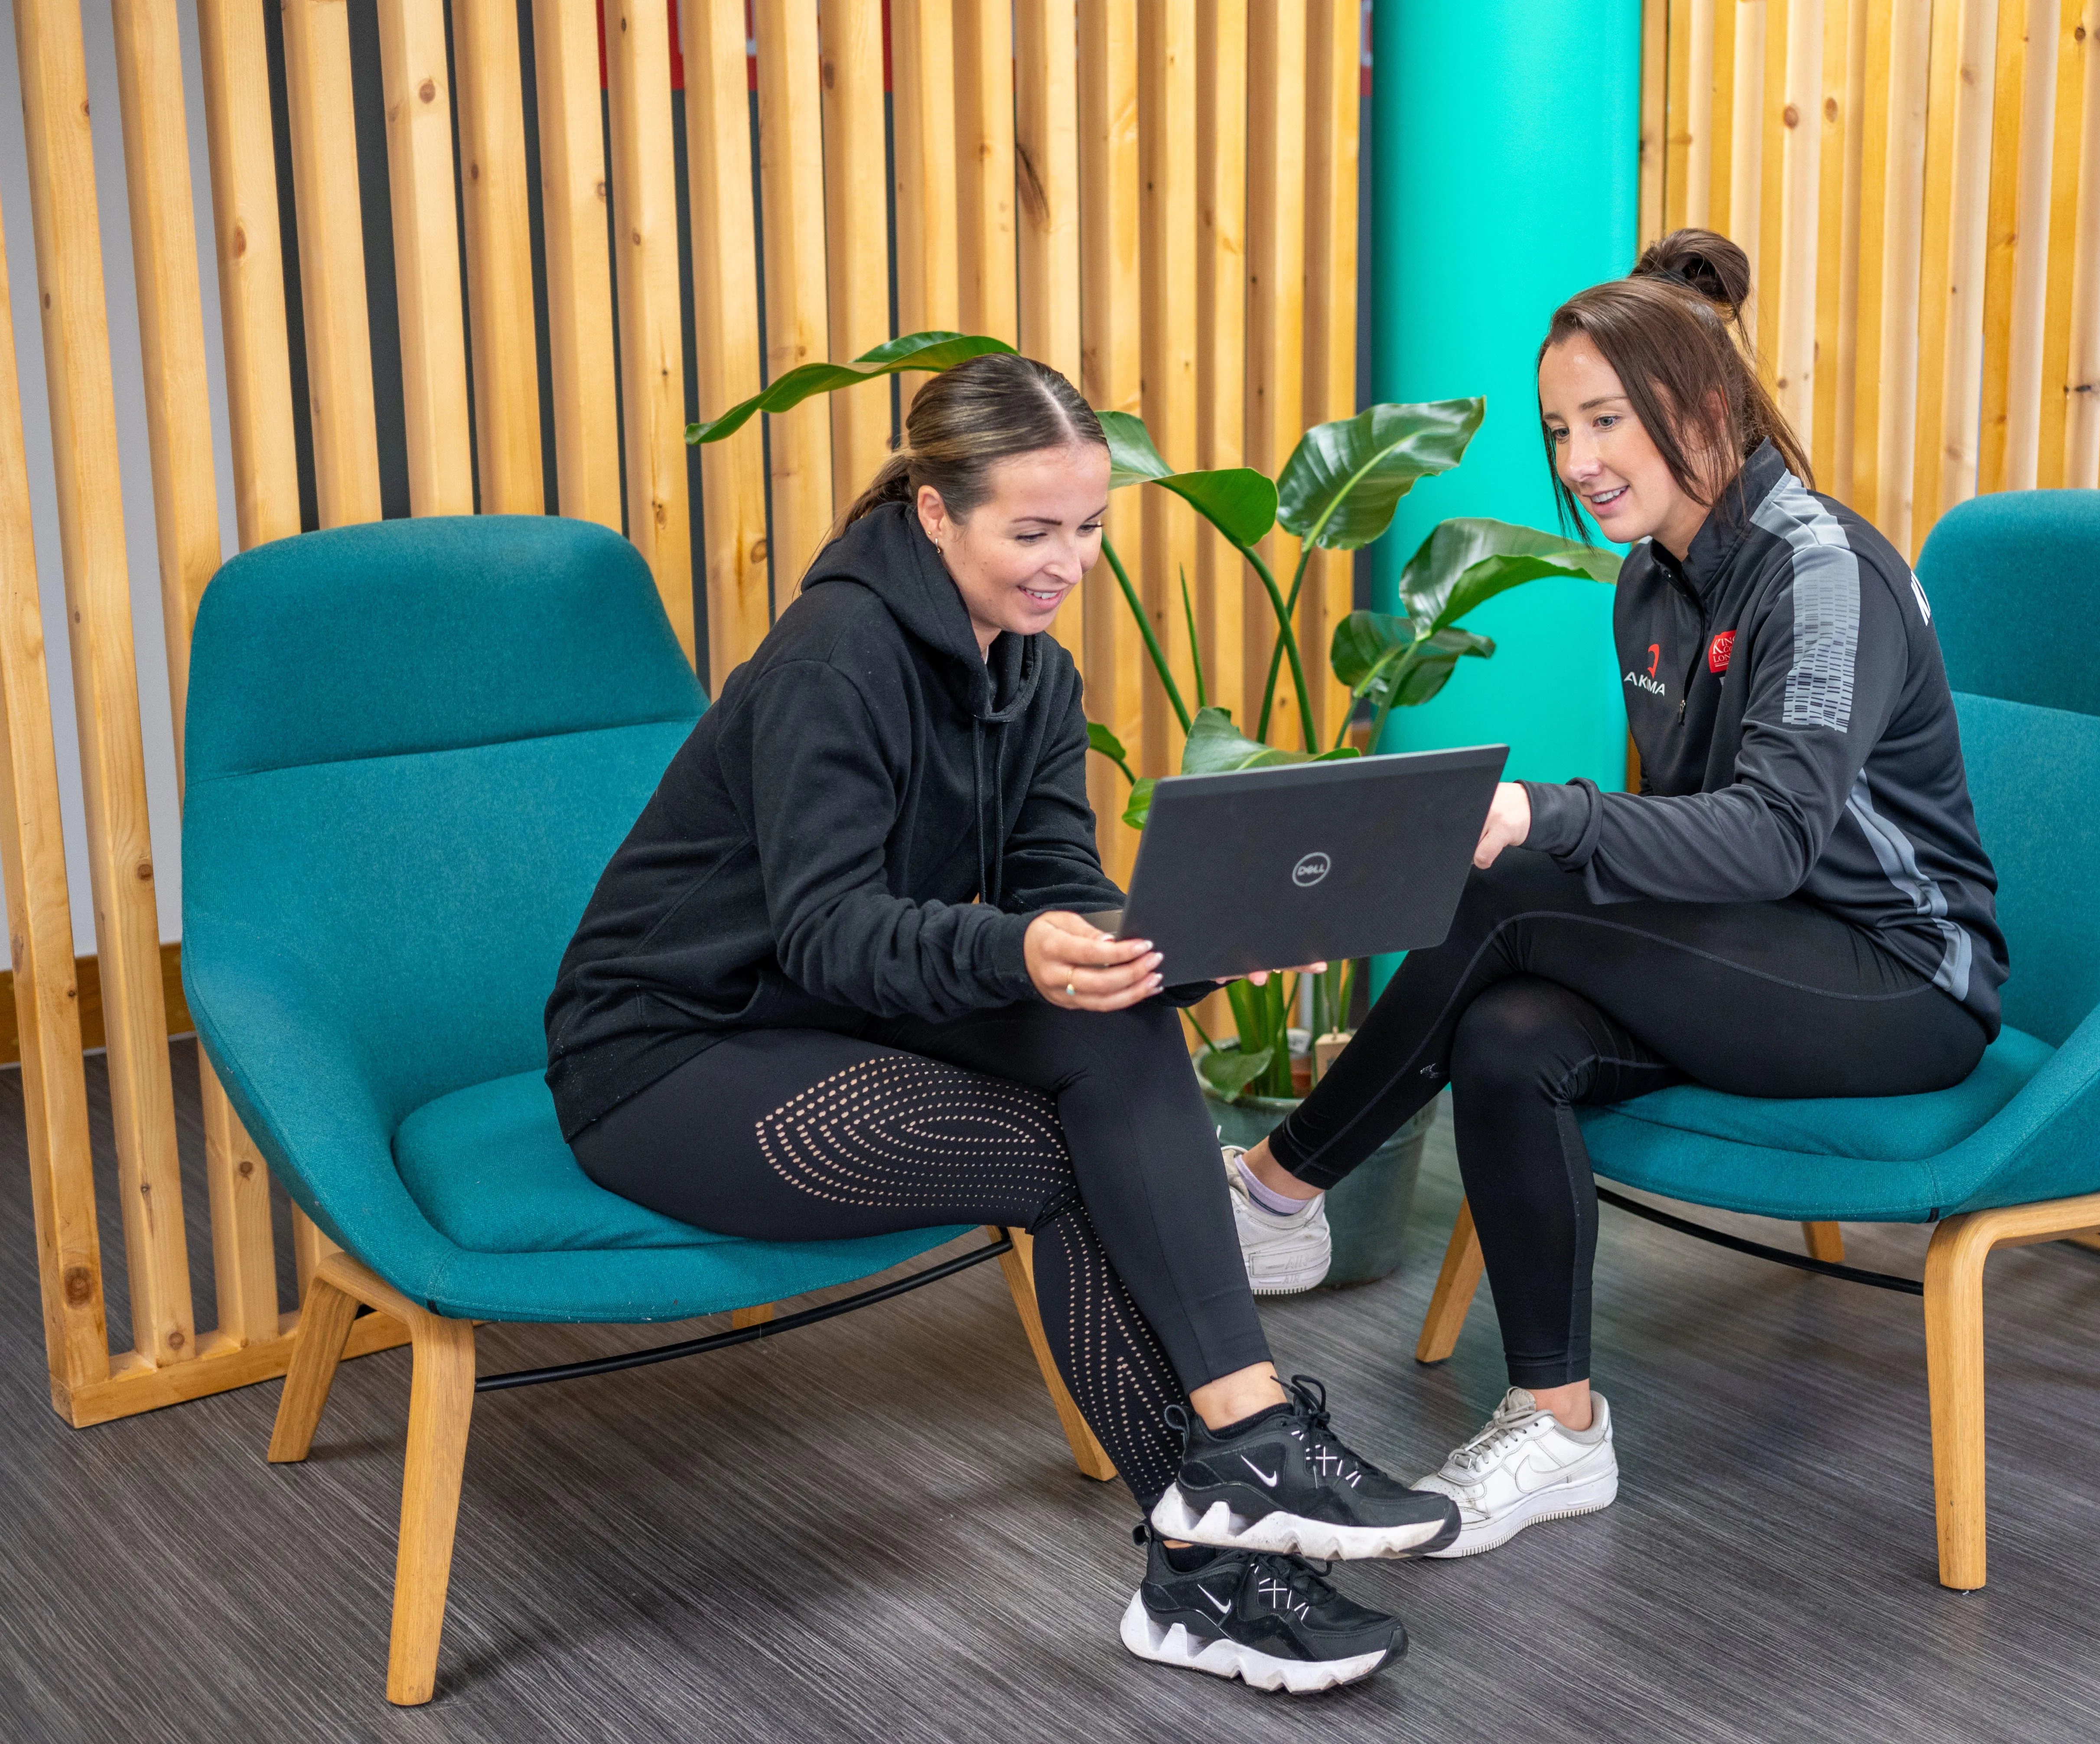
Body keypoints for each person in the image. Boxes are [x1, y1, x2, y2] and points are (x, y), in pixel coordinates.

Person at [543, 353, 1458, 1693]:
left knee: (1116, 1038)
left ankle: (1239, 1465)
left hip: (839, 1017)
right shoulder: (833, 658)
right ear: (933, 511)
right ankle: (1213, 1562)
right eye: (1032, 532)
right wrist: (1020, 949)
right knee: (1065, 1162)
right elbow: (825, 927)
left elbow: (1051, 889)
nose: (1067, 562)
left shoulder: (1031, 670)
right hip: (673, 1052)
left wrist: (1163, 948)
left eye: (1088, 527)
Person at [1224, 229, 2009, 1557]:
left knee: (1520, 884)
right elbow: (1679, 823)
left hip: (1901, 976)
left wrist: (1540, 816)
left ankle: (1280, 1191)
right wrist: (1567, 837)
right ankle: (1561, 1429)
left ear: (1707, 406)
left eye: (1607, 420)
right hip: (1763, 955)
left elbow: (1765, 840)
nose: (1579, 460)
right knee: (1510, 1033)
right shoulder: (1649, 579)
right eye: (1560, 427)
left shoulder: (1825, 575)